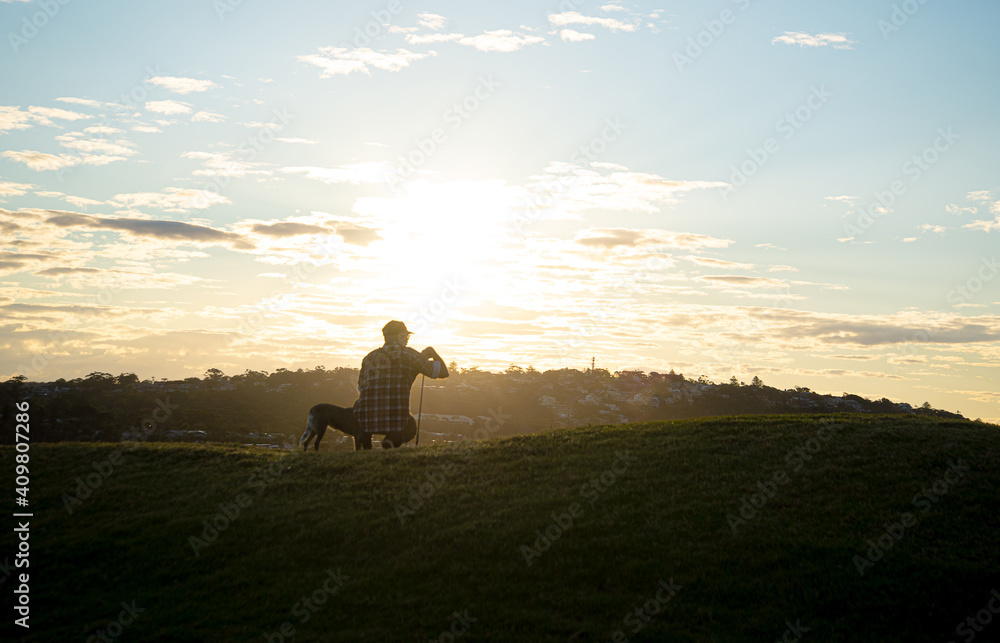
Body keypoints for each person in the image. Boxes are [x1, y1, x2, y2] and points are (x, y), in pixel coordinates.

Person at [353, 320, 449, 449]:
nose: (407, 340)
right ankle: (391, 441)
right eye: (407, 336)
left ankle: (365, 444)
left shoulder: (369, 358)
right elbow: (443, 372)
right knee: (410, 426)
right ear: (400, 336)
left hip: (364, 418)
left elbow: (361, 387)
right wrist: (432, 353)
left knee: (365, 411)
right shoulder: (409, 354)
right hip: (396, 419)